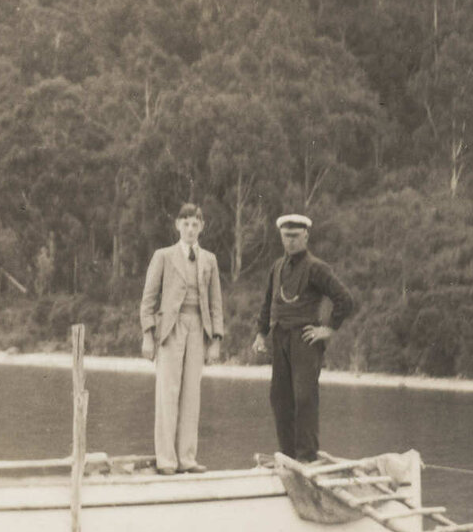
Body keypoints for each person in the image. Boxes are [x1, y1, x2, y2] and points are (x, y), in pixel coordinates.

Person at [250, 213, 357, 463]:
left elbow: (345, 299)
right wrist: (260, 334)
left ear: (306, 236)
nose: (291, 242)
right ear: (281, 237)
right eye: (286, 236)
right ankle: (288, 456)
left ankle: (306, 456)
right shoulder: (277, 267)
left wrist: (329, 328)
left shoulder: (316, 267)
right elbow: (268, 303)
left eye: (296, 236)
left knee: (304, 398)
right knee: (280, 398)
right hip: (280, 338)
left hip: (305, 340)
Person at [139, 203, 225, 474]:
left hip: (198, 329)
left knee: (192, 395)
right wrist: (148, 336)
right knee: (168, 394)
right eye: (185, 223)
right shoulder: (163, 256)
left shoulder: (209, 259)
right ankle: (166, 460)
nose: (190, 229)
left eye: (195, 224)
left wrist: (216, 341)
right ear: (177, 225)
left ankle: (187, 458)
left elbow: (216, 303)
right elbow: (148, 300)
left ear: (202, 227)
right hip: (169, 330)